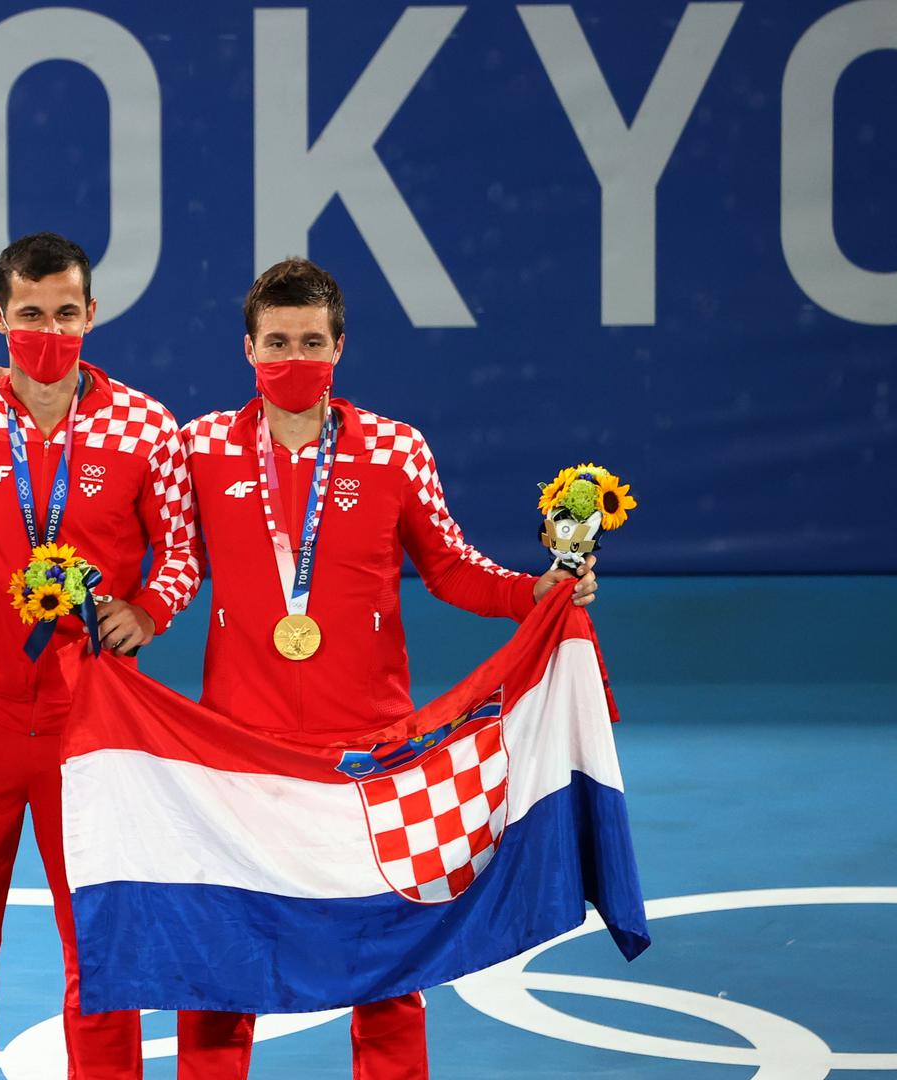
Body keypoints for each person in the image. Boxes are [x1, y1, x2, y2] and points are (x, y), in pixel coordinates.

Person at [173, 257, 599, 1079]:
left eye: (311, 341)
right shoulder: (197, 448)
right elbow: (162, 559)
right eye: (276, 342)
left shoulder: (396, 449)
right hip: (239, 751)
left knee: (390, 968)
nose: (293, 358)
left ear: (340, 347)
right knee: (224, 963)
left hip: (371, 751)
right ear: (247, 349)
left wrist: (534, 592)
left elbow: (451, 567)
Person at [0, 232, 200, 1079]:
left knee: (100, 948)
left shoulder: (147, 427)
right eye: (30, 315)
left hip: (93, 723)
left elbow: (181, 554)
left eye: (66, 313)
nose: (49, 332)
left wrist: (149, 610)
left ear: (92, 313)